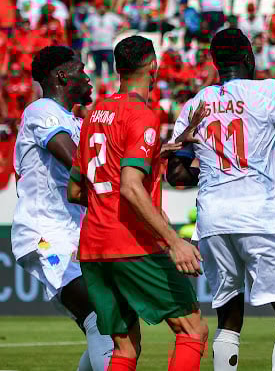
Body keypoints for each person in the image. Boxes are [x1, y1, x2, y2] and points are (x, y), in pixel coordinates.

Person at [164, 29, 275, 371]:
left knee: (228, 317)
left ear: (215, 64)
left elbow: (176, 175)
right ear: (248, 57)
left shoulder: (195, 103)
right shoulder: (267, 92)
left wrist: (220, 171)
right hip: (260, 218)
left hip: (213, 222)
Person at [66, 36, 210, 371]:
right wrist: (175, 243)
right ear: (153, 66)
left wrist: (172, 144)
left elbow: (75, 190)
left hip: (93, 249)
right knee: (192, 329)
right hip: (129, 243)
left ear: (118, 68)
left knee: (125, 348)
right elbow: (131, 187)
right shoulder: (142, 114)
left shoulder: (94, 115)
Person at [11, 46, 112, 371]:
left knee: (111, 318)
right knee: (101, 317)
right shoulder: (42, 110)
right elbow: (78, 162)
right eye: (82, 70)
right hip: (46, 235)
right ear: (62, 76)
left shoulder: (73, 121)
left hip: (73, 235)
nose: (89, 77)